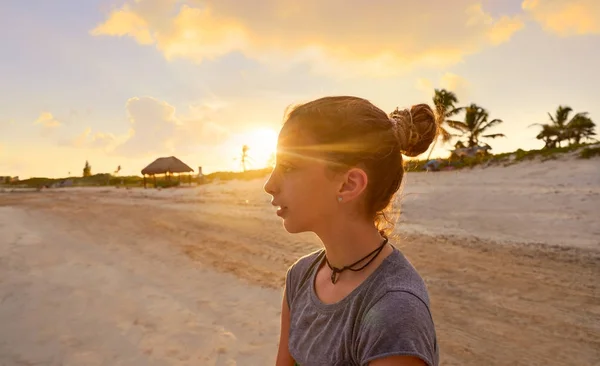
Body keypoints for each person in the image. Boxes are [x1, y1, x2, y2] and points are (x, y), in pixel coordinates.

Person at [264, 96, 439, 366]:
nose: (269, 184)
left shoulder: (394, 311)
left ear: (349, 184)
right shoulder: (300, 276)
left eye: (288, 167)